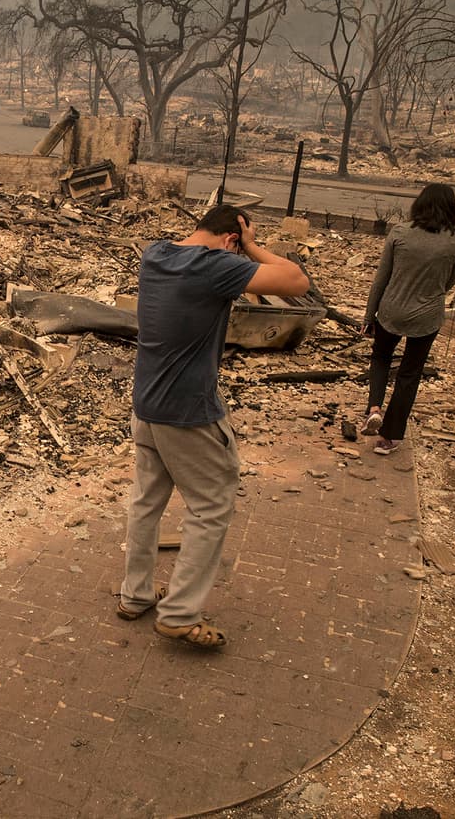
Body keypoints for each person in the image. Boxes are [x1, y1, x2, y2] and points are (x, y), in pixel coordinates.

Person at [117, 205, 309, 648]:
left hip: (146, 404)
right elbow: (297, 281)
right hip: (188, 413)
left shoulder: (155, 254)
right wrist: (253, 247)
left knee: (146, 502)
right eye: (238, 247)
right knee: (212, 506)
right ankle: (180, 614)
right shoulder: (215, 266)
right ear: (230, 240)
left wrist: (238, 246)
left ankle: (135, 594)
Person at [361, 183, 455, 455]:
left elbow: (381, 279)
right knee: (410, 373)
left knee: (381, 357)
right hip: (427, 315)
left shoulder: (399, 233)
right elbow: (449, 282)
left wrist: (369, 315)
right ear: (451, 208)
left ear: (419, 204)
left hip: (391, 309)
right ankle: (390, 438)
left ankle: (374, 408)